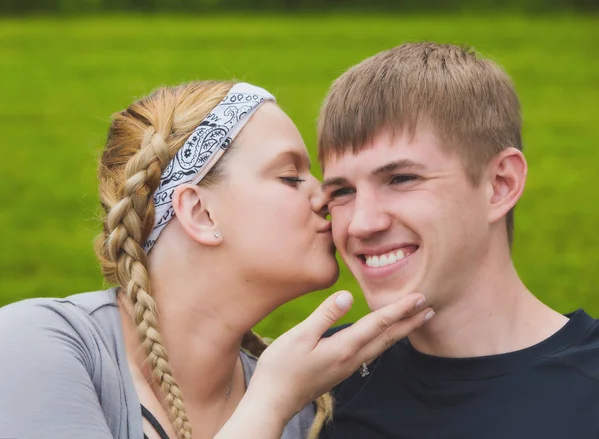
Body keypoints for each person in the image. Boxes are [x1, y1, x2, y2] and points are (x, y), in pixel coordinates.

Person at [0, 81, 434, 439]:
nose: (325, 195)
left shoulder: (305, 414)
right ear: (199, 213)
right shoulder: (37, 347)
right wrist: (270, 403)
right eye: (290, 176)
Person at [317, 42, 599, 439]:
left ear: (500, 185)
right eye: (342, 191)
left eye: (401, 179)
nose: (362, 223)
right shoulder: (321, 377)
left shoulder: (589, 391)